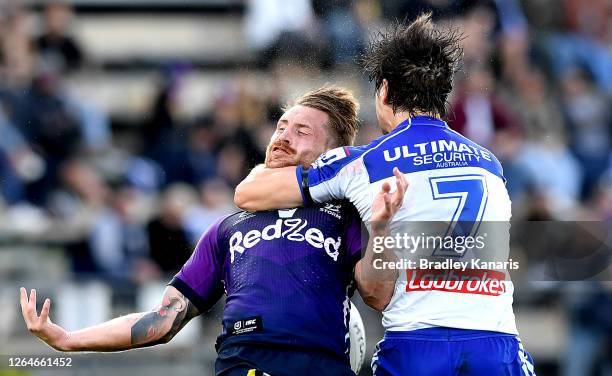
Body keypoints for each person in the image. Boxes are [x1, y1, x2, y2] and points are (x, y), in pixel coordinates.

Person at [19, 86, 406, 376]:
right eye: (281, 126)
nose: (282, 137)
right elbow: (162, 320)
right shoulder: (228, 228)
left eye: (302, 131)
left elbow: (376, 292)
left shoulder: (346, 217)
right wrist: (70, 339)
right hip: (245, 362)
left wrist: (382, 228)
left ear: (333, 153)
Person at [234, 14, 536, 376]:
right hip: (497, 344)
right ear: (442, 95)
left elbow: (249, 195)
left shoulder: (363, 162)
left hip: (417, 345)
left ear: (385, 92)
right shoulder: (490, 164)